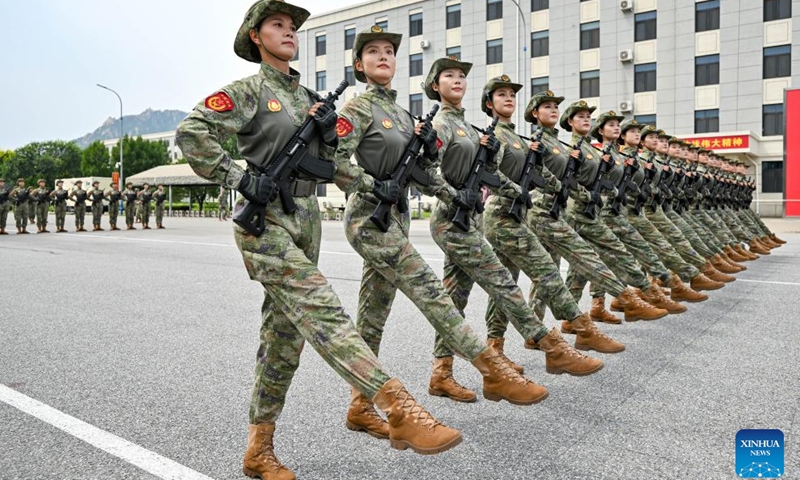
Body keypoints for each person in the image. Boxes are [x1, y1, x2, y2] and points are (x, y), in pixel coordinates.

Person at [177, 5, 467, 478]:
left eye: (293, 27)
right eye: (277, 25)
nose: (289, 32)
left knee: (284, 336)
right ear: (256, 36)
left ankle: (258, 449)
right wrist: (239, 177)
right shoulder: (248, 91)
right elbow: (192, 133)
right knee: (322, 308)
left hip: (306, 214)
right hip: (264, 218)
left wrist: (333, 139)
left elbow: (335, 165)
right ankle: (398, 406)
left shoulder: (312, 100)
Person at [425, 65, 612, 392]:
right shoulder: (442, 124)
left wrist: (520, 189)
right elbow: (426, 169)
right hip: (453, 218)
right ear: (435, 86)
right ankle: (552, 343)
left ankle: (442, 373)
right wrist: (453, 194)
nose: (457, 81)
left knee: (456, 296)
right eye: (449, 76)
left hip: (472, 217)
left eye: (461, 76)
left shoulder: (471, 128)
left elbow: (492, 174)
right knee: (504, 281)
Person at [479, 78, 626, 356]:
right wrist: (526, 189)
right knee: (541, 272)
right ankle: (576, 325)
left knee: (512, 280)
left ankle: (498, 346)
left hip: (526, 212)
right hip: (510, 212)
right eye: (502, 95)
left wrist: (562, 187)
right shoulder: (503, 136)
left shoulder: (523, 140)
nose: (509, 98)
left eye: (512, 95)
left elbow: (543, 175)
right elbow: (491, 175)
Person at [518, 92, 664, 325]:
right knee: (576, 261)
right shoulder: (544, 142)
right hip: (553, 210)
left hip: (565, 210)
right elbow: (549, 176)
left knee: (556, 269)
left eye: (589, 117)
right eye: (547, 107)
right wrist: (584, 192)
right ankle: (638, 293)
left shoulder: (568, 146)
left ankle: (561, 321)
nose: (587, 120)